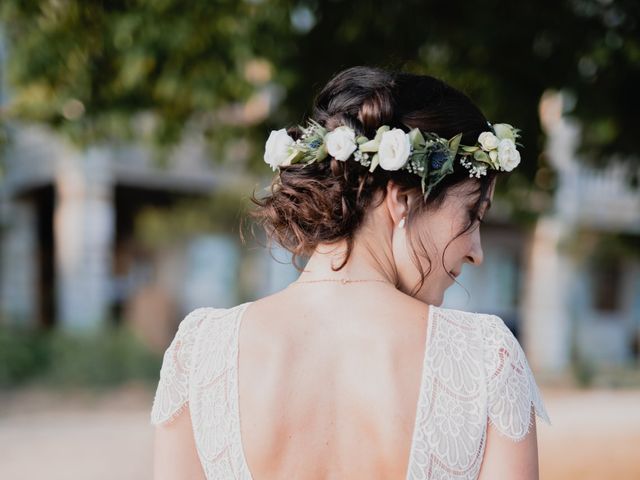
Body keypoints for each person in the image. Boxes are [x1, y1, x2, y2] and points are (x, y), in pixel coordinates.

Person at [150, 65, 551, 480]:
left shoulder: (201, 354)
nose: (476, 252)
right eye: (472, 213)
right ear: (404, 200)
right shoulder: (485, 358)